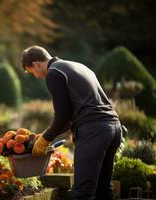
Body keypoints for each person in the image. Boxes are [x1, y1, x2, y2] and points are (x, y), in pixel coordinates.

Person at [21, 46, 122, 200]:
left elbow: (62, 115)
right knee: (103, 189)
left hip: (94, 130)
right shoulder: (78, 66)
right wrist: (47, 135)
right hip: (113, 127)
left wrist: (45, 139)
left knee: (82, 192)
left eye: (31, 71)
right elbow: (69, 117)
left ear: (36, 64)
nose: (35, 76)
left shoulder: (54, 73)